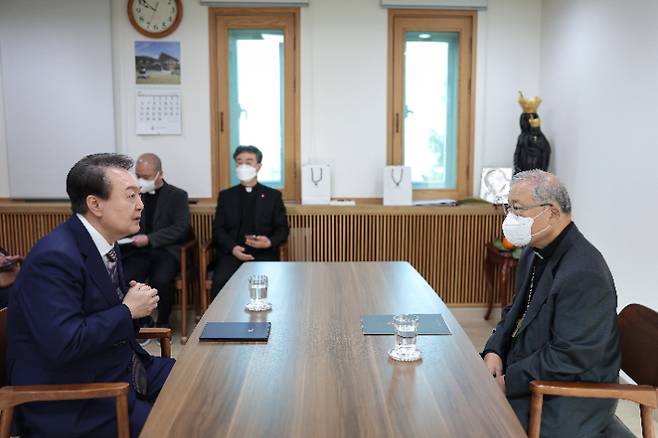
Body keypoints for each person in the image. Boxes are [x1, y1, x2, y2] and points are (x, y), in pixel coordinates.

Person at [7, 154, 175, 437]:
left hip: (121, 368)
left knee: (200, 383)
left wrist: (130, 306)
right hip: (76, 395)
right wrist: (127, 310)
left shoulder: (104, 243)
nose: (141, 204)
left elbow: (104, 315)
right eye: (130, 195)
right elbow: (65, 344)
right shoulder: (55, 257)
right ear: (95, 204)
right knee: (181, 424)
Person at [481, 169, 621, 437]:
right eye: (508, 209)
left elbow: (568, 356)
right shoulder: (535, 252)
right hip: (532, 372)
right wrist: (494, 351)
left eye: (518, 210)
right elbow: (515, 312)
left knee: (478, 422)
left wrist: (509, 381)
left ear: (553, 213)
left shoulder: (584, 273)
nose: (511, 218)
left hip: (568, 395)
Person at [122, 153, 190, 329]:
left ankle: (163, 322)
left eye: (146, 177)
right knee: (128, 277)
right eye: (137, 175)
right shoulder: (131, 195)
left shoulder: (178, 195)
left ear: (160, 174)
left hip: (165, 250)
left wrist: (150, 239)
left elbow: (180, 228)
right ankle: (137, 323)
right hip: (137, 251)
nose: (140, 180)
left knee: (162, 279)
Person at [211, 145, 289, 298]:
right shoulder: (226, 196)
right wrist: (233, 248)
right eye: (239, 162)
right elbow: (218, 229)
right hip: (232, 253)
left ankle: (267, 321)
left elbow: (282, 229)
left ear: (258, 166)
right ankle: (221, 321)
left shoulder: (273, 196)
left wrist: (269, 242)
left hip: (263, 254)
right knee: (221, 280)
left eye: (249, 162)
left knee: (269, 285)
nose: (243, 166)